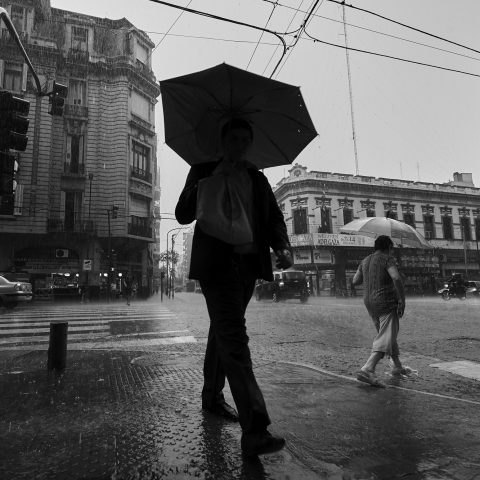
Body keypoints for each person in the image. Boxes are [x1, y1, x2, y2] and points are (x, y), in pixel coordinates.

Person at [175, 118, 293, 457]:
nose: (240, 145)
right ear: (223, 141)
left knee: (222, 333)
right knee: (235, 339)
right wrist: (206, 183)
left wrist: (282, 246)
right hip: (216, 267)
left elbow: (273, 218)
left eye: (245, 140)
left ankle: (212, 396)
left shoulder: (256, 178)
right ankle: (255, 428)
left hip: (247, 269)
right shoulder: (203, 168)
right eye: (234, 138)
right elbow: (183, 213)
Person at [352, 235, 406, 387]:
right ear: (389, 247)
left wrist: (369, 273)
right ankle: (368, 368)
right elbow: (395, 278)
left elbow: (355, 281)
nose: (392, 251)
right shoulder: (387, 259)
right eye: (392, 249)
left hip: (369, 302)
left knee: (386, 334)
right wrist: (402, 299)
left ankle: (397, 365)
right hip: (385, 301)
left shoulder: (365, 260)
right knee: (386, 334)